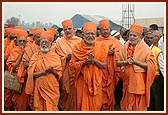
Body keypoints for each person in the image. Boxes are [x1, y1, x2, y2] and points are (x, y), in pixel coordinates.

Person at [116, 24, 156, 111]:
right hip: (127, 82)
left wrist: (136, 62)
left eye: (134, 35)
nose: (132, 37)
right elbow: (117, 63)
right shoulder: (124, 47)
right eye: (130, 35)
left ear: (140, 37)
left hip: (139, 84)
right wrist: (125, 62)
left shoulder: (146, 49)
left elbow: (151, 66)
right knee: (126, 104)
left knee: (138, 107)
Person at [69, 22, 107, 110]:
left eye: (92, 33)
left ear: (96, 34)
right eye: (88, 34)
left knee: (96, 106)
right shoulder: (77, 47)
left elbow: (105, 65)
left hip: (96, 82)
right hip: (82, 82)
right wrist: (84, 63)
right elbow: (72, 65)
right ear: (83, 35)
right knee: (81, 106)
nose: (90, 36)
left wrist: (94, 61)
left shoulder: (102, 47)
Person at [25, 31, 62, 111]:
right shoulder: (35, 56)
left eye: (46, 42)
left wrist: (52, 71)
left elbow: (58, 74)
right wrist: (43, 72)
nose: (44, 44)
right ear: (40, 43)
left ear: (51, 44)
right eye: (42, 42)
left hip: (52, 89)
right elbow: (31, 74)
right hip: (38, 89)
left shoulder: (55, 57)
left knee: (51, 108)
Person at [53, 19, 82, 111]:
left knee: (76, 94)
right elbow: (56, 58)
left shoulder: (80, 41)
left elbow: (83, 55)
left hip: (77, 72)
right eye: (66, 29)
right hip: (65, 72)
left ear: (73, 29)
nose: (68, 31)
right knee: (65, 93)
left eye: (69, 28)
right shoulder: (59, 42)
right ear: (63, 31)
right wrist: (66, 58)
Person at [96, 19, 122, 111]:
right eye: (103, 29)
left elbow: (120, 56)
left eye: (107, 29)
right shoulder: (96, 41)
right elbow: (94, 55)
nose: (106, 31)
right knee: (99, 96)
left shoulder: (116, 42)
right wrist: (106, 52)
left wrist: (113, 54)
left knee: (110, 94)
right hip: (98, 73)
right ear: (99, 30)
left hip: (111, 73)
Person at [5, 29, 30, 111]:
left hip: (26, 81)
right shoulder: (14, 51)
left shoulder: (30, 51)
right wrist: (21, 56)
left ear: (27, 41)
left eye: (24, 41)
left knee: (25, 102)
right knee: (17, 102)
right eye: (20, 41)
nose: (22, 43)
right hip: (16, 80)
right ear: (17, 42)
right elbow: (13, 68)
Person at [22, 27, 45, 110]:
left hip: (46, 80)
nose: (40, 39)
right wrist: (37, 67)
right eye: (38, 37)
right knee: (34, 100)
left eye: (42, 37)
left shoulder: (48, 48)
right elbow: (25, 64)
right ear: (34, 38)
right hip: (34, 78)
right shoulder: (29, 48)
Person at [144, 31, 164, 111]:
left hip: (155, 79)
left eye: (151, 38)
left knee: (156, 99)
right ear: (144, 39)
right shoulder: (141, 49)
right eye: (147, 38)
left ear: (154, 39)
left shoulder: (157, 50)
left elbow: (162, 67)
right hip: (144, 78)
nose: (149, 40)